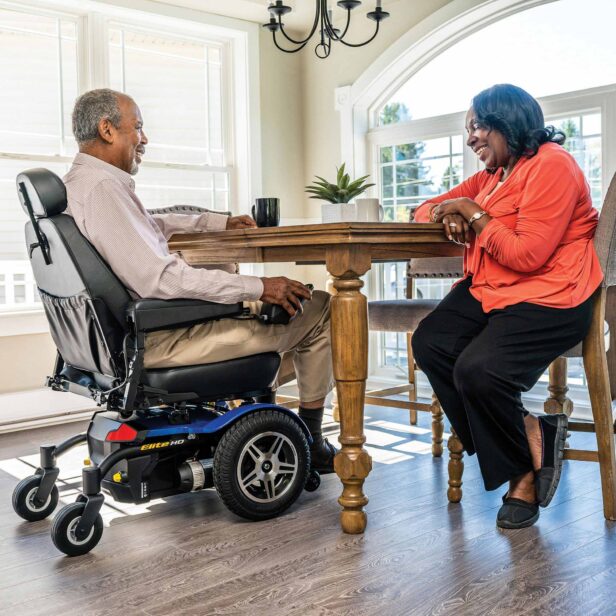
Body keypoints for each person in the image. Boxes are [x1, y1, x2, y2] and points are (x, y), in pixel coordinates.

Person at [63, 88, 337, 472]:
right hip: (159, 342)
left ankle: (260, 418)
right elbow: (161, 280)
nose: (144, 139)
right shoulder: (104, 188)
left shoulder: (81, 184)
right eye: (137, 128)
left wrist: (213, 222)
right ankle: (311, 438)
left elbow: (149, 225)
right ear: (107, 129)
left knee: (277, 314)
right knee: (319, 307)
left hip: (121, 340)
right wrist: (259, 287)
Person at [411, 84, 603, 528]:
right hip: (493, 289)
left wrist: (474, 215)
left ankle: (522, 476)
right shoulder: (494, 176)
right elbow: (422, 210)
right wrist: (451, 210)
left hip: (551, 294)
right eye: (468, 130)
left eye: (477, 126)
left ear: (506, 122)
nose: (471, 139)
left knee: (477, 371)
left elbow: (527, 255)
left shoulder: (553, 165)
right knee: (431, 342)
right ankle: (529, 430)